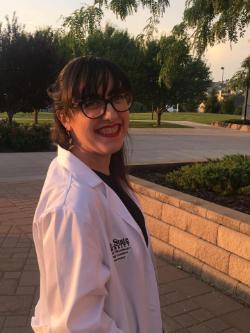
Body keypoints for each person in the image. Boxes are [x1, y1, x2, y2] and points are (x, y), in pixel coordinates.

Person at [31, 56, 164, 333]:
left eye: (118, 98)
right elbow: (77, 326)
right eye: (92, 102)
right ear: (65, 117)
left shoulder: (107, 176)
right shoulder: (71, 207)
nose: (112, 113)